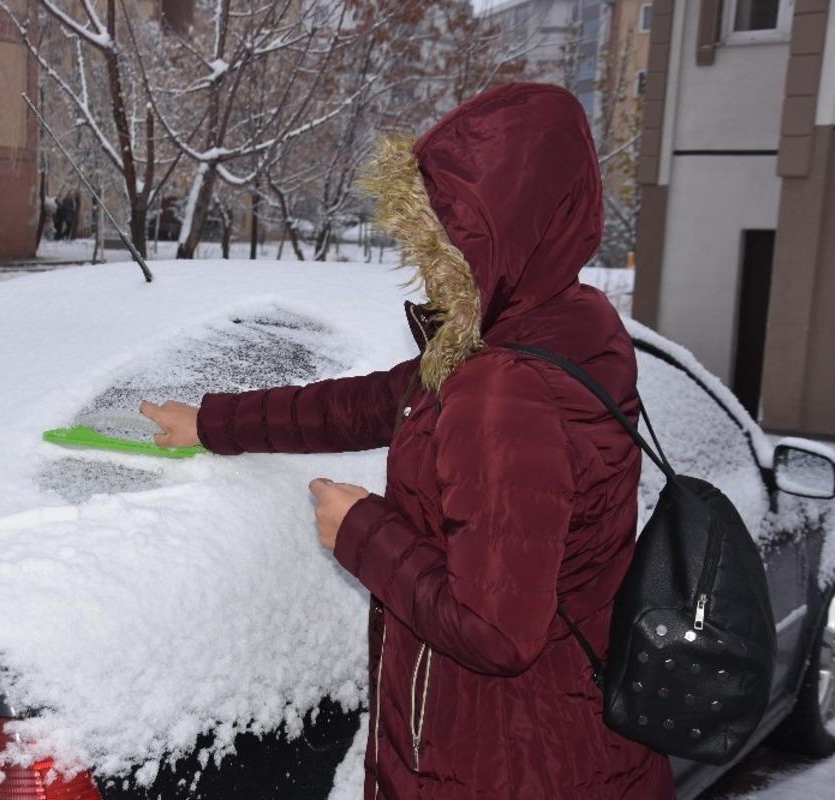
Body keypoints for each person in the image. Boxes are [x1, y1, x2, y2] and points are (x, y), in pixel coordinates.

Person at [139, 82, 675, 799]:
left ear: (503, 235)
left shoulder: (506, 388)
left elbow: (496, 633)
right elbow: (369, 403)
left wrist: (361, 528)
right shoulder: (563, 323)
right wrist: (211, 423)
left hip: (501, 762)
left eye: (444, 239)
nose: (429, 262)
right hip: (562, 734)